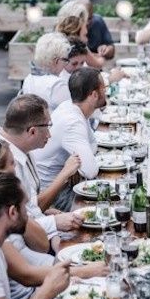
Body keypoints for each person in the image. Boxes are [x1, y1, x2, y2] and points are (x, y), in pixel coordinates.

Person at [0, 139, 106, 299]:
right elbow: (26, 274)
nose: (17, 169)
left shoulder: (1, 202)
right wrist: (82, 272)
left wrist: (65, 266)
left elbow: (40, 246)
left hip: (27, 290)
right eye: (13, 164)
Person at [0, 94, 83, 239]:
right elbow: (15, 222)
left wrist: (46, 215)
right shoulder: (2, 160)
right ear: (32, 131)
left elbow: (29, 208)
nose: (50, 134)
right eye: (48, 126)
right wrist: (54, 223)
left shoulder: (19, 147)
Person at [32, 67, 106, 211]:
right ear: (94, 95)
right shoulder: (73, 121)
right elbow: (90, 171)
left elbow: (93, 143)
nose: (106, 92)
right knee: (107, 204)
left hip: (59, 184)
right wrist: (80, 165)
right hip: (52, 195)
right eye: (104, 88)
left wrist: (77, 165)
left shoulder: (70, 106)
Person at [21, 32, 72, 111]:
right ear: (56, 61)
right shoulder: (57, 85)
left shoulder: (29, 79)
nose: (66, 64)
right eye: (65, 60)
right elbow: (71, 111)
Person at [56, 0, 105, 69]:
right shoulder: (78, 44)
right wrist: (102, 56)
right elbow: (98, 64)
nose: (88, 23)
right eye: (86, 20)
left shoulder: (58, 40)